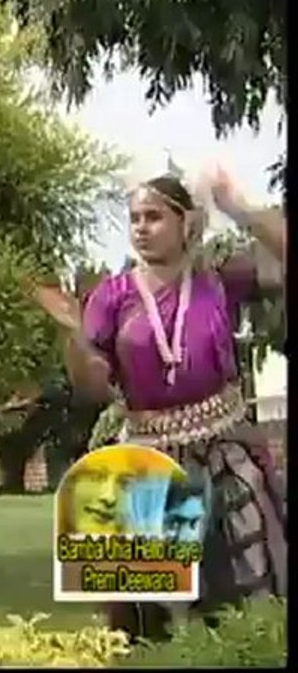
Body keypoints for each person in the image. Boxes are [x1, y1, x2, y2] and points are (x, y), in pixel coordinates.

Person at [33, 165, 287, 641]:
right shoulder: (112, 297)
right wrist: (75, 337)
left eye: (153, 217)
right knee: (155, 619)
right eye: (134, 218)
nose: (141, 228)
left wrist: (240, 209)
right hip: (147, 460)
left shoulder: (217, 280)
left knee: (250, 590)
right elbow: (93, 391)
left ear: (184, 222)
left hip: (226, 452)